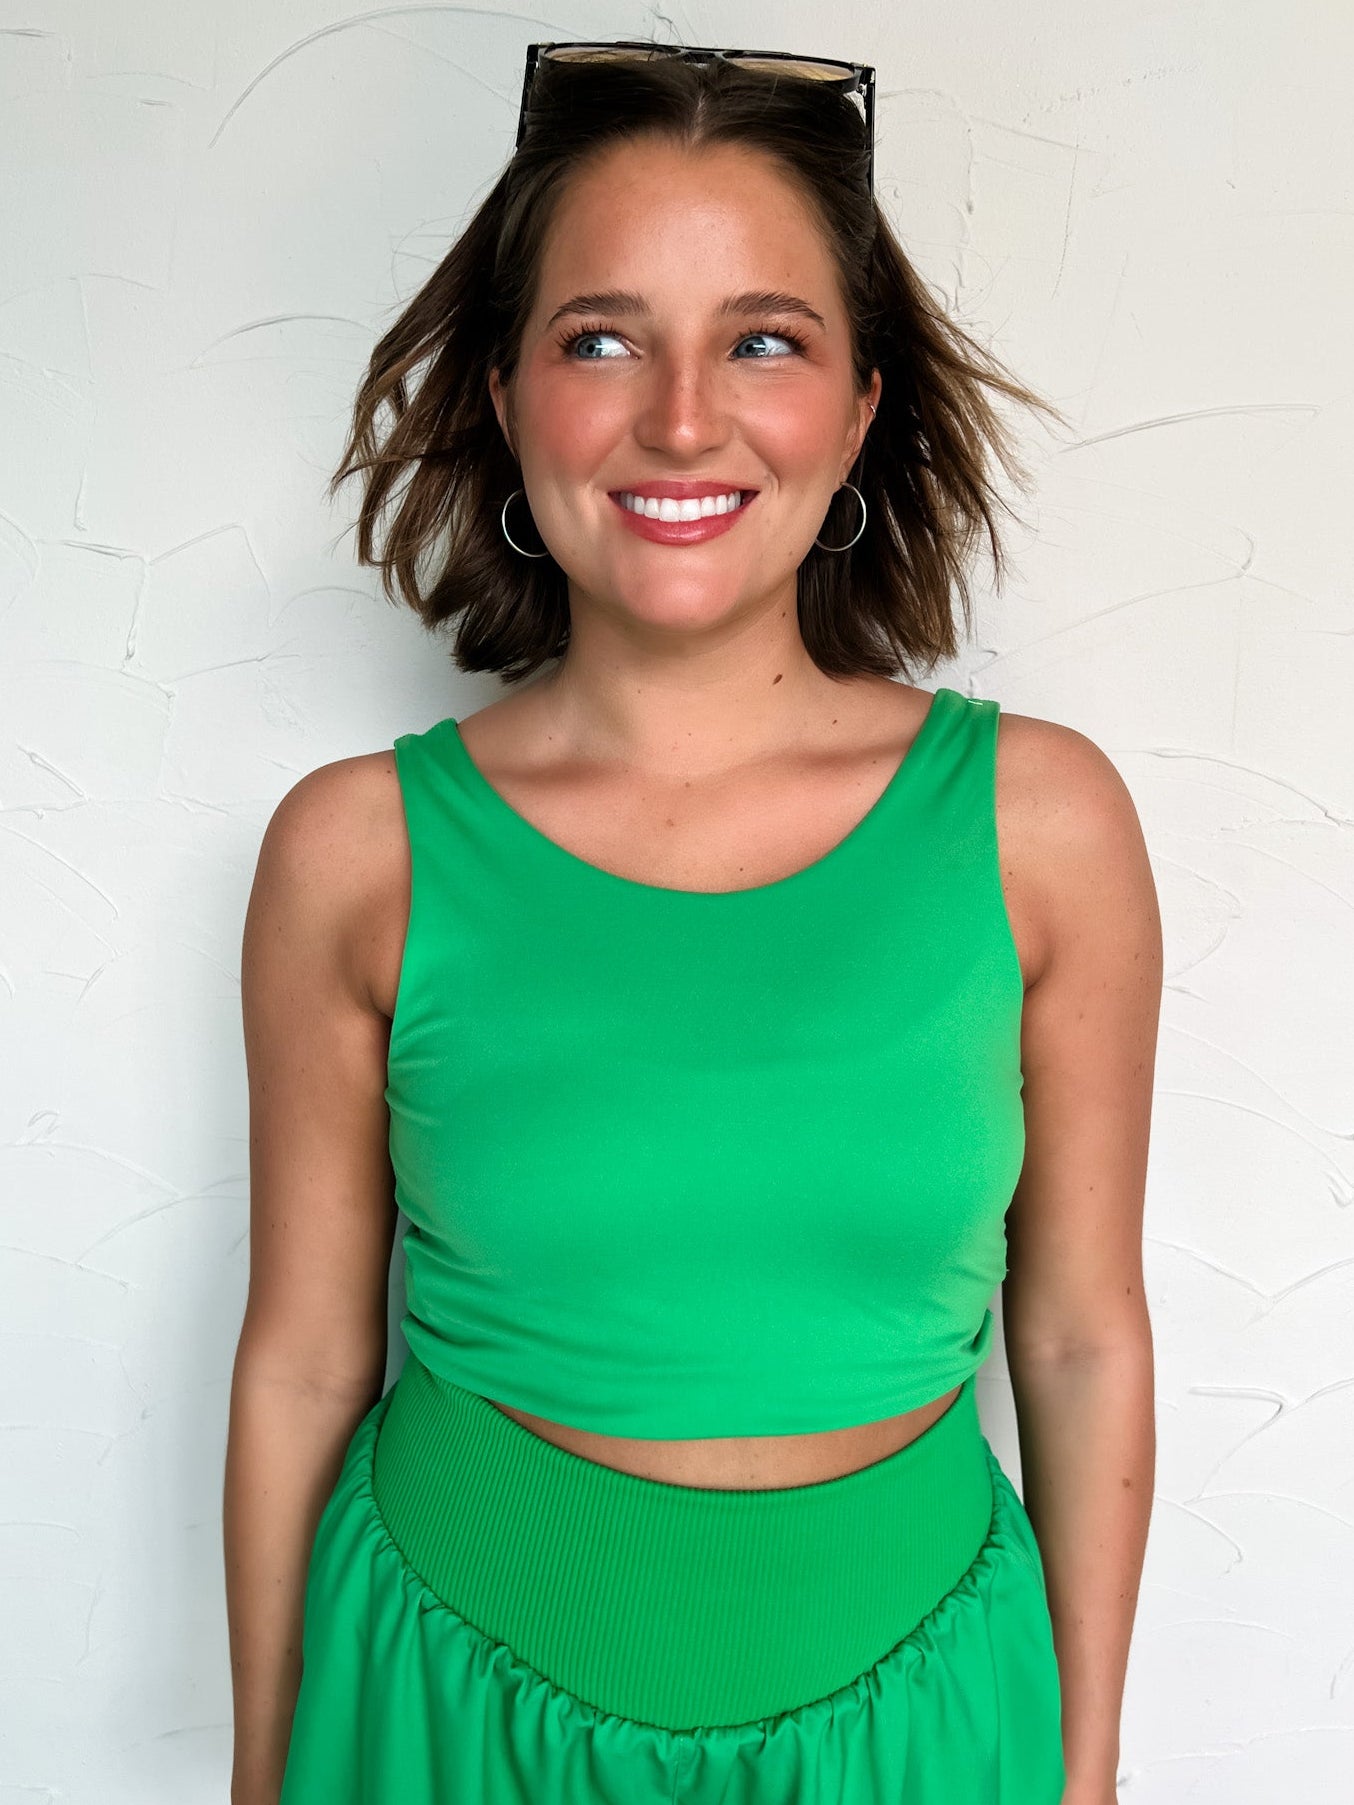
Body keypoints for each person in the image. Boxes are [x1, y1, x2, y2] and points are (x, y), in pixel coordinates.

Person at [223, 40, 1161, 1805]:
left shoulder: (1038, 827)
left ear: (862, 405)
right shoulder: (357, 854)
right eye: (599, 338)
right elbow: (302, 1359)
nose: (678, 416)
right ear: (504, 394)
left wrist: (1082, 1763)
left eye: (762, 338)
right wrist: (270, 1772)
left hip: (921, 1727)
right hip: (442, 1713)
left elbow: (1082, 1334)